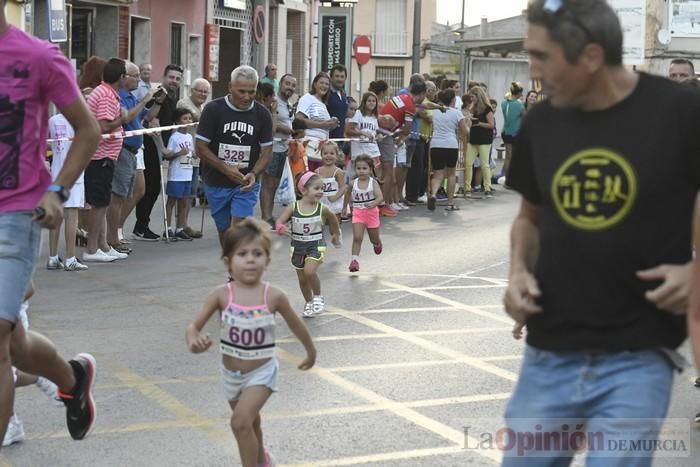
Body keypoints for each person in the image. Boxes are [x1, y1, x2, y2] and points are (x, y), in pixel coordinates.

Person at [503, 1, 698, 464]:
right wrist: (516, 274)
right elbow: (529, 218)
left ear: (590, 56)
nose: (532, 70)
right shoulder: (541, 121)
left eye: (542, 57)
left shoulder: (681, 111)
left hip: (639, 355)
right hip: (548, 352)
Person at [0, 2, 100, 443]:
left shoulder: (38, 57)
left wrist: (57, 190)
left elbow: (88, 130)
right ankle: (73, 379)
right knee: (15, 344)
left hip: (15, 213)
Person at [186, 219, 316, 467]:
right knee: (251, 422)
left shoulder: (273, 295)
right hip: (231, 375)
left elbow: (296, 325)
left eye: (257, 254)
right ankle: (262, 460)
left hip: (262, 373)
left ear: (267, 261)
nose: (250, 259)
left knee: (240, 422)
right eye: (242, 254)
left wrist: (310, 352)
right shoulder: (221, 295)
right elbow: (193, 326)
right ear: (228, 262)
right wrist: (194, 342)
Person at [196, 65, 273, 247]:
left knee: (238, 228)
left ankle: (238, 274)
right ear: (230, 87)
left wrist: (254, 173)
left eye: (251, 92)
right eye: (241, 91)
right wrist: (226, 169)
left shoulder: (262, 114)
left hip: (246, 183)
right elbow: (200, 147)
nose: (247, 97)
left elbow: (267, 150)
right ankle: (232, 268)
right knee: (225, 231)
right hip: (216, 181)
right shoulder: (213, 109)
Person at [275, 172, 341, 317]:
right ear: (304, 190)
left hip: (316, 245)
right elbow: (279, 222)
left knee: (309, 272)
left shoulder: (322, 208)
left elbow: (333, 219)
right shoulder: (293, 207)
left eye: (322, 188)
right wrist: (281, 228)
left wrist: (335, 234)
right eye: (316, 188)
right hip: (298, 246)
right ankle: (309, 302)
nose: (321, 192)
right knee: (302, 278)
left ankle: (318, 297)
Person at [83, 58, 129, 263]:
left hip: (105, 156)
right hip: (99, 156)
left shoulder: (107, 93)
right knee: (98, 203)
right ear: (121, 77)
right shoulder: (105, 95)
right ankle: (92, 249)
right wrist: (123, 119)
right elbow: (103, 126)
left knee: (102, 202)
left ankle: (102, 245)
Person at [108, 61, 156, 254]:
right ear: (123, 77)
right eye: (135, 75)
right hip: (123, 149)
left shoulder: (131, 96)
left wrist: (157, 101)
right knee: (118, 196)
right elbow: (127, 118)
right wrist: (145, 100)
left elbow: (149, 116)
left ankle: (115, 234)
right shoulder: (119, 96)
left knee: (129, 194)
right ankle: (112, 238)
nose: (139, 79)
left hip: (134, 151)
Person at [134, 64, 183, 241]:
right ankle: (141, 226)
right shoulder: (158, 95)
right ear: (164, 76)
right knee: (151, 187)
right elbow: (152, 122)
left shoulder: (173, 96)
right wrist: (161, 148)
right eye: (171, 77)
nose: (174, 81)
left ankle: (141, 225)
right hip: (150, 144)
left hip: (159, 146)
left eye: (178, 79)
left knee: (152, 188)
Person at [47, 112, 89, 271]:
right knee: (71, 216)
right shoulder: (79, 120)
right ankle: (70, 259)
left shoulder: (53, 120)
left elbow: (51, 144)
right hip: (74, 174)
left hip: (57, 172)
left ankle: (52, 257)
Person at [176, 77, 211, 239]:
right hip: (183, 154)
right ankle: (178, 226)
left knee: (191, 191)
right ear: (192, 91)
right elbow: (200, 120)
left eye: (206, 92)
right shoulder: (184, 104)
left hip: (197, 155)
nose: (202, 94)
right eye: (200, 91)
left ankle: (184, 224)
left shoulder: (203, 107)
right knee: (183, 191)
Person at [260, 74, 296, 228]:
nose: (290, 87)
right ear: (279, 84)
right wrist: (285, 129)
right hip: (272, 147)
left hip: (284, 148)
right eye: (287, 83)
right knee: (268, 183)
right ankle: (265, 217)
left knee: (275, 183)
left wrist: (293, 131)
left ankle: (270, 215)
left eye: (293, 85)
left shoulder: (289, 104)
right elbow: (268, 123)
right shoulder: (273, 102)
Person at [427, 90, 469, 212]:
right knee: (451, 174)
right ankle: (450, 203)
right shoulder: (456, 113)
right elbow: (465, 131)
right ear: (453, 101)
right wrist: (467, 122)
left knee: (437, 174)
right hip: (451, 145)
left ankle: (433, 194)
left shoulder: (434, 112)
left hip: (436, 144)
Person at [344, 155, 384, 273]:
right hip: (358, 213)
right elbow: (347, 195)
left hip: (371, 214)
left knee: (374, 239)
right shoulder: (353, 183)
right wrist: (344, 208)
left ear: (370, 169)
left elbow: (380, 197)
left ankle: (377, 243)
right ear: (355, 169)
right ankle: (354, 261)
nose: (361, 171)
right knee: (357, 237)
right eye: (359, 168)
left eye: (364, 168)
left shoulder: (373, 182)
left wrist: (374, 203)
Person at [160, 108, 195, 240]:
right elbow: (168, 156)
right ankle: (168, 228)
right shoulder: (174, 137)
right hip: (176, 174)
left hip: (187, 173)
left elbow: (191, 152)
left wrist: (195, 155)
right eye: (185, 119)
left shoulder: (189, 136)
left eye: (190, 119)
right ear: (177, 121)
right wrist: (178, 154)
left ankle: (180, 227)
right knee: (172, 201)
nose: (188, 121)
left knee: (184, 202)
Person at [294, 72, 338, 170]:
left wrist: (332, 125)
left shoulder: (323, 104)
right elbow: (299, 120)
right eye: (321, 83)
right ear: (314, 84)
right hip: (308, 148)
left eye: (327, 84)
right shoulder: (307, 98)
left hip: (320, 151)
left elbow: (324, 127)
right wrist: (323, 124)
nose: (324, 86)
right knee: (307, 180)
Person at [464, 86, 495, 197]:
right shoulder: (472, 108)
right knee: (468, 163)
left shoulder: (487, 108)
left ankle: (487, 187)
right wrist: (468, 120)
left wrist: (479, 123)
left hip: (484, 140)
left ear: (478, 96)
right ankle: (467, 188)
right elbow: (468, 123)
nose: (472, 99)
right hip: (473, 139)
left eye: (473, 96)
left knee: (484, 164)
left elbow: (491, 125)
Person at [499, 81, 525, 181]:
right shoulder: (519, 105)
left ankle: (505, 177)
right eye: (521, 93)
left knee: (508, 157)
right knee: (514, 157)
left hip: (505, 132)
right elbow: (525, 117)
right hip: (515, 133)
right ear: (518, 93)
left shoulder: (504, 103)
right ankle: (511, 178)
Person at [314, 141, 345, 219]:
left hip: (334, 202)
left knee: (335, 225)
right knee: (322, 225)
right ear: (321, 155)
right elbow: (314, 187)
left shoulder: (338, 172)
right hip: (321, 202)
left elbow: (343, 188)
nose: (328, 156)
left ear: (336, 155)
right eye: (325, 153)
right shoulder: (317, 171)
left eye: (331, 153)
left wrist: (335, 197)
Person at [327, 64, 349, 140]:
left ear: (345, 78)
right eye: (337, 76)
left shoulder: (343, 94)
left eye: (342, 76)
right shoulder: (326, 93)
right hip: (328, 138)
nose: (339, 79)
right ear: (331, 77)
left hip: (340, 138)